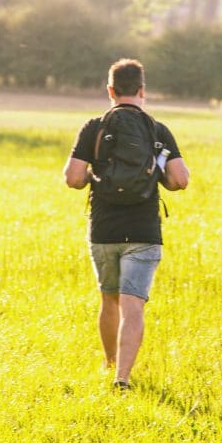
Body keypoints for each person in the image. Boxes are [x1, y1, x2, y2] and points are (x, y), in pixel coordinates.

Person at [63, 58, 190, 391]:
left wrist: (96, 176)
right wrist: (156, 173)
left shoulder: (95, 126)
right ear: (142, 90)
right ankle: (122, 377)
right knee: (133, 304)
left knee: (110, 300)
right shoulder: (157, 130)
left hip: (104, 228)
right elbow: (180, 180)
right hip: (144, 230)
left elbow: (73, 179)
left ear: (110, 90)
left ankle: (108, 365)